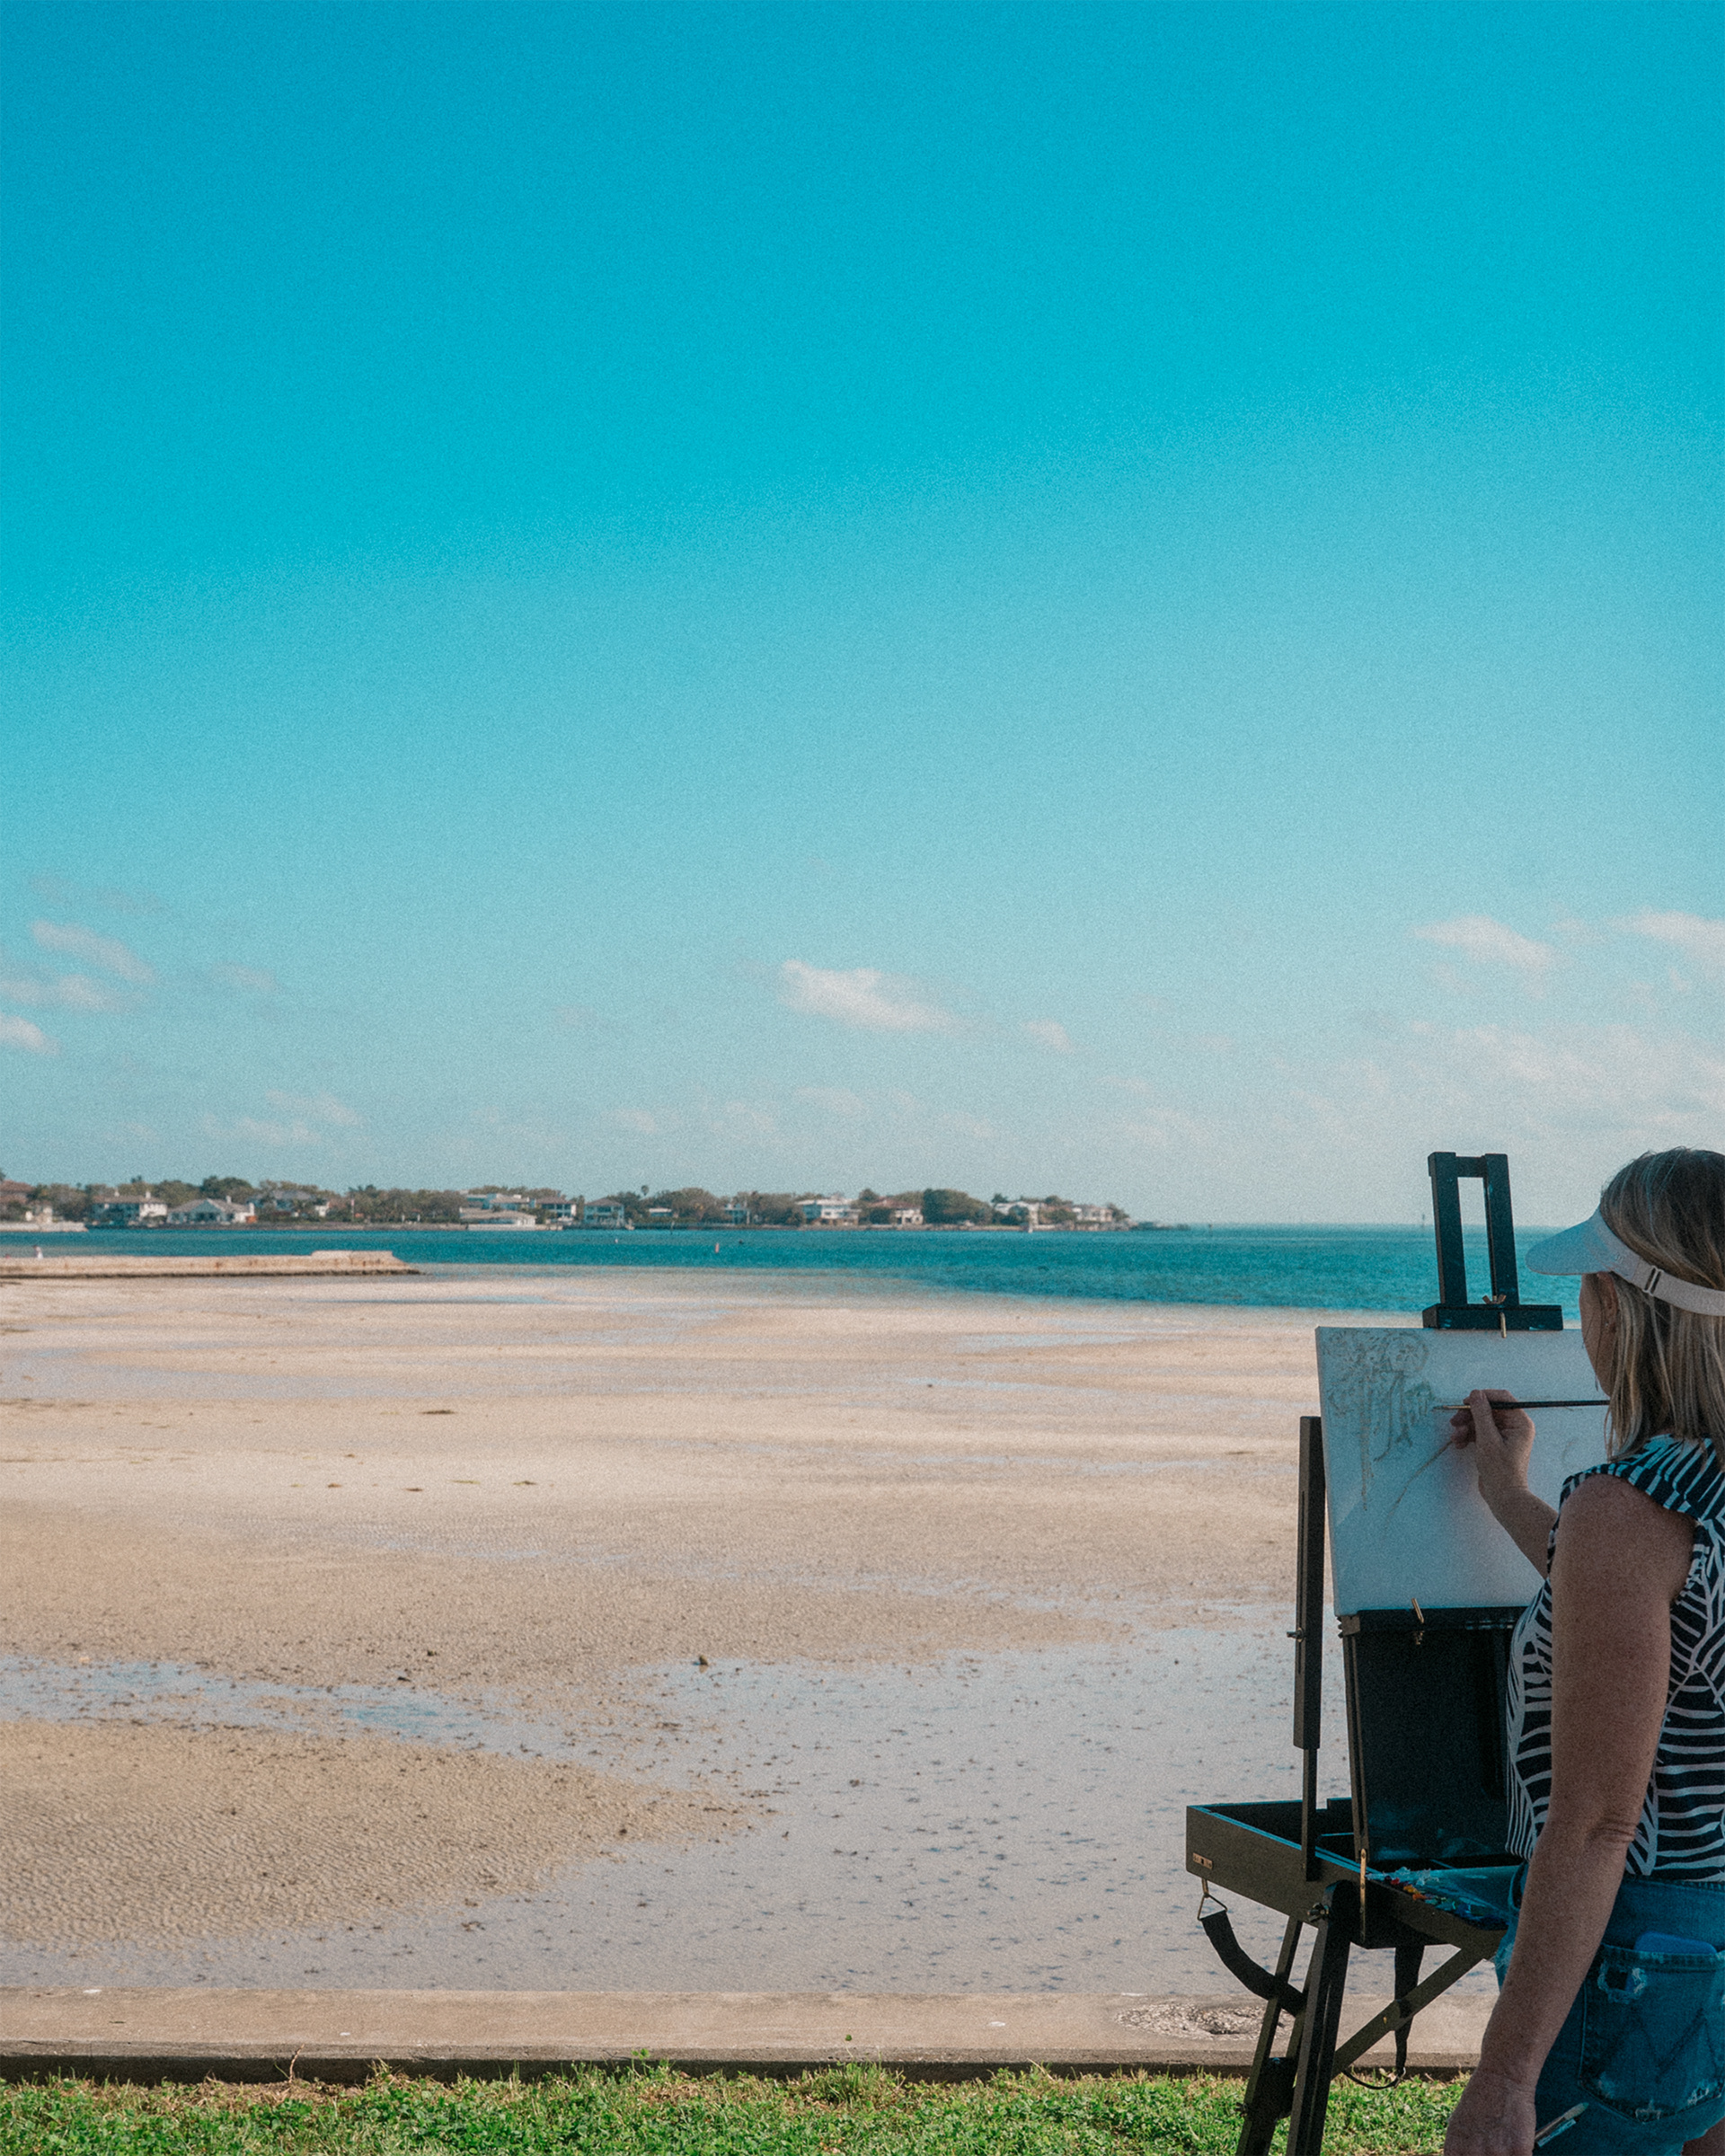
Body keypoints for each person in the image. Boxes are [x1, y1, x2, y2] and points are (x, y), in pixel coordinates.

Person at [1444, 1148, 1725, 2156]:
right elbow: (1651, 1615)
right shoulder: (1673, 1508)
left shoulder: (1630, 1508)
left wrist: (1502, 2081)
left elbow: (1599, 1823)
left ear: (1618, 1305)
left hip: (1640, 1951)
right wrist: (1508, 1495)